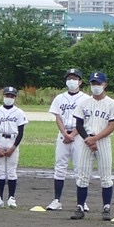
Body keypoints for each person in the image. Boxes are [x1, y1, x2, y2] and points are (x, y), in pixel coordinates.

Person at [71, 72, 114, 221]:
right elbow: (79, 125)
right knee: (83, 176)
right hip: (86, 140)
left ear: (105, 85)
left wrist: (95, 139)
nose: (96, 86)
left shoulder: (111, 103)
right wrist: (88, 139)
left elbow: (112, 126)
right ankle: (80, 206)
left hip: (103, 141)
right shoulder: (84, 103)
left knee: (106, 177)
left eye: (98, 83)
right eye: (93, 83)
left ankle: (106, 207)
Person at [46, 69, 86, 210]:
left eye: (75, 78)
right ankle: (57, 200)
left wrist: (73, 134)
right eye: (69, 78)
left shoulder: (85, 98)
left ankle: (82, 202)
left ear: (80, 81)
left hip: (79, 135)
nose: (71, 81)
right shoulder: (59, 98)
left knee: (79, 168)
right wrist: (65, 133)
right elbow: (57, 117)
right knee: (59, 168)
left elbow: (85, 120)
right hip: (63, 135)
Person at [0, 87, 28, 208]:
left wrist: (13, 147)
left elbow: (21, 132)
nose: (9, 98)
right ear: (3, 96)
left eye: (12, 96)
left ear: (15, 97)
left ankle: (11, 198)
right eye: (7, 95)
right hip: (0, 139)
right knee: (0, 171)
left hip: (12, 140)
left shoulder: (19, 112)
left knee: (11, 171)